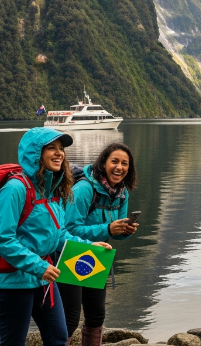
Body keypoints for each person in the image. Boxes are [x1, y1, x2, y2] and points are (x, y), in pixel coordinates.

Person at [0, 127, 111, 346]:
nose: (59, 153)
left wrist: (89, 246)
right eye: (51, 148)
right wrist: (39, 267)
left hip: (44, 277)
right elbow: (2, 239)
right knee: (13, 342)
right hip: (13, 281)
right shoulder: (15, 188)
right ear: (35, 153)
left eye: (61, 148)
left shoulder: (52, 189)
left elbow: (59, 234)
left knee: (58, 337)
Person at [61, 143, 138, 345]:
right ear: (103, 163)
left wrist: (124, 232)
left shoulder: (122, 193)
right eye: (114, 161)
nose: (119, 167)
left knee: (96, 315)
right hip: (71, 253)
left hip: (97, 254)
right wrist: (108, 229)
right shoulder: (84, 189)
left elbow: (115, 231)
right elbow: (68, 229)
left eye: (125, 163)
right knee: (69, 319)